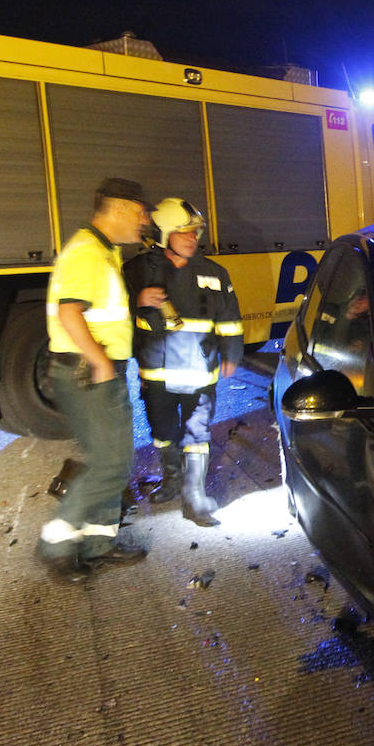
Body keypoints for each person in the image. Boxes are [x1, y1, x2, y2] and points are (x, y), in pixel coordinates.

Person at [36, 178, 152, 583]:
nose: (146, 221)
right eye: (141, 212)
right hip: (90, 374)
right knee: (109, 464)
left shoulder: (103, 251)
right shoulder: (87, 253)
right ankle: (56, 545)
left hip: (95, 372)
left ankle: (101, 543)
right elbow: (71, 312)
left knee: (114, 462)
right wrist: (101, 362)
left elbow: (97, 306)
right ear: (119, 209)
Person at [124, 197, 244, 526]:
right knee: (163, 431)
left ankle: (194, 498)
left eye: (196, 233)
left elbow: (230, 319)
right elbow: (113, 314)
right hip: (157, 371)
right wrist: (138, 301)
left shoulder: (214, 273)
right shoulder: (137, 271)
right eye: (185, 233)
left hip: (199, 369)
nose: (193, 239)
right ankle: (172, 480)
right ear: (163, 235)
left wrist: (232, 353)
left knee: (197, 431)